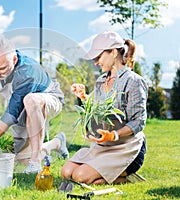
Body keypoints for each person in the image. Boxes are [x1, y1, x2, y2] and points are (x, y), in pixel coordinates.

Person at [0, 35, 69, 173]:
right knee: (22, 159)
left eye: (1, 69)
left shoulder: (27, 72)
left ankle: (36, 163)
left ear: (14, 59)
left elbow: (11, 115)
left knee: (31, 100)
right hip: (23, 104)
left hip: (48, 99)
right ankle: (57, 143)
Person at [61, 31, 148, 184]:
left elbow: (138, 121)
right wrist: (83, 96)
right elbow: (98, 111)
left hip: (126, 146)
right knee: (66, 172)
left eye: (98, 56)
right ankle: (108, 175)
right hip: (104, 145)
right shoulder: (101, 81)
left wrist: (113, 135)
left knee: (80, 176)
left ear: (113, 53)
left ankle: (124, 176)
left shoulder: (133, 81)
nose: (96, 62)